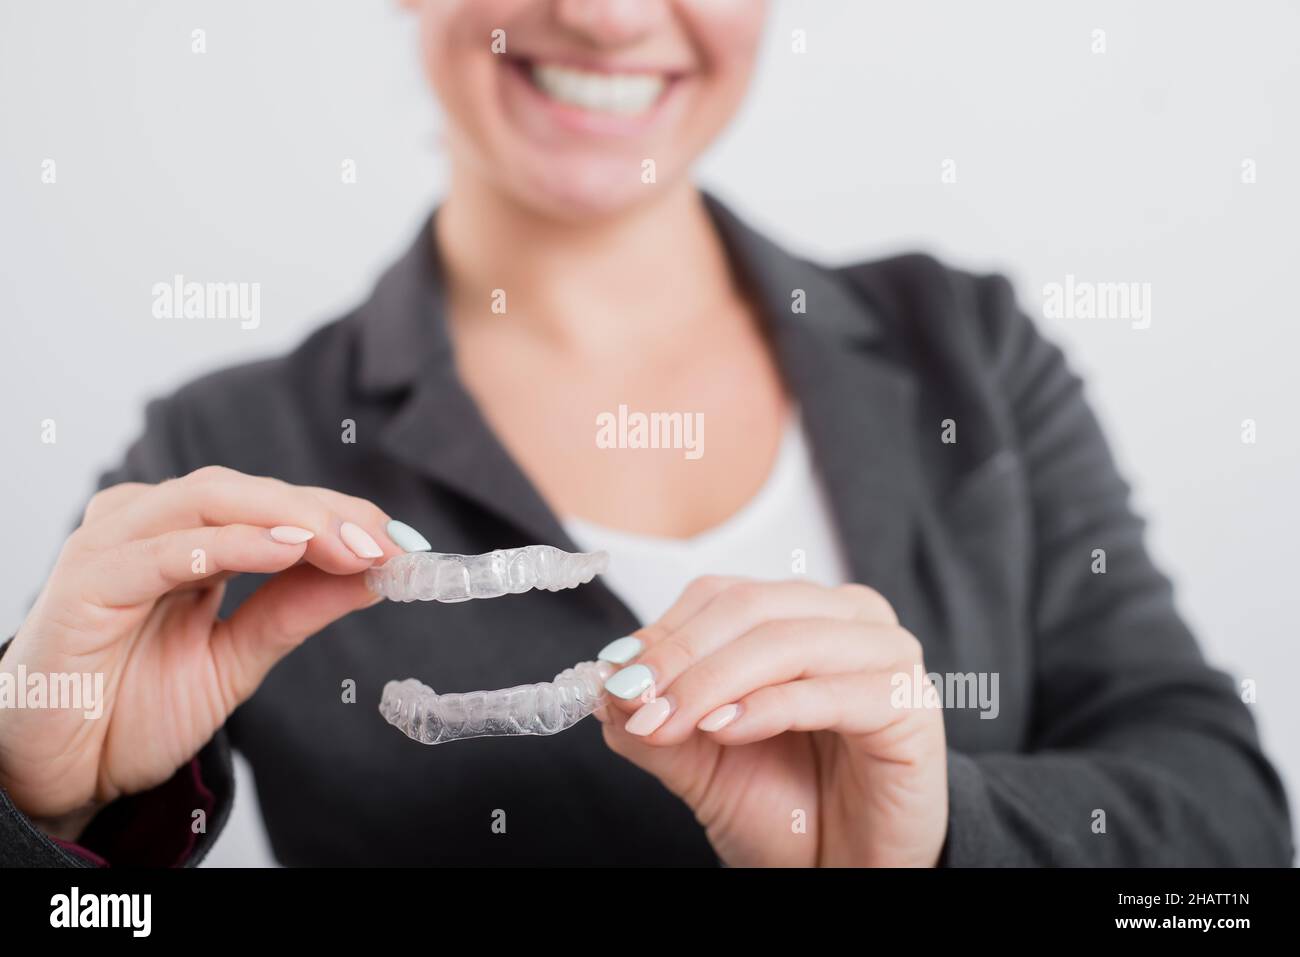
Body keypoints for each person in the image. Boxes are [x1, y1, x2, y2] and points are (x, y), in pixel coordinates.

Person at [0, 0, 1290, 867]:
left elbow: (1232, 839)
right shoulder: (223, 445)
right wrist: (42, 805)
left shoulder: (967, 350)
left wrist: (936, 838)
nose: (610, 15)